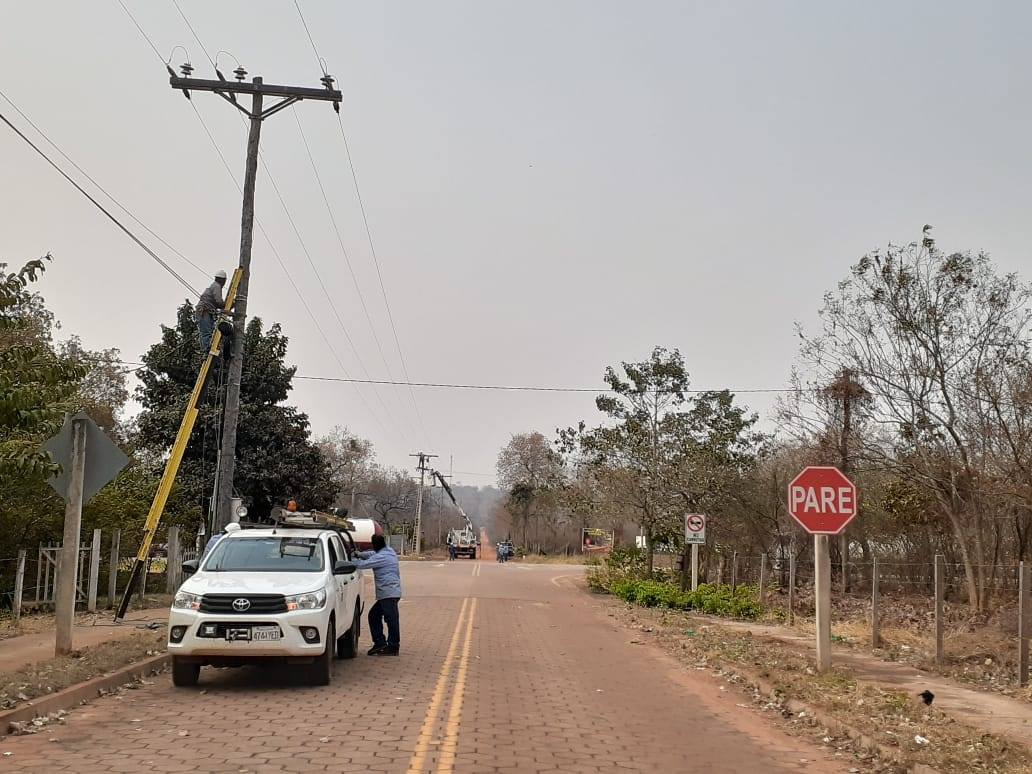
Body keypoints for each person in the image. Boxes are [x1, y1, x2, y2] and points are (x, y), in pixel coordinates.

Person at [353, 533, 402, 655]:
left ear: (375, 545)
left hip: (388, 593)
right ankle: (381, 643)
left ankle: (392, 646)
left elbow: (362, 565)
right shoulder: (388, 551)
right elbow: (371, 554)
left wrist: (349, 561)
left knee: (391, 620)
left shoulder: (381, 557)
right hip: (391, 592)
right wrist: (359, 554)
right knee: (375, 616)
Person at [195, 270, 228, 351]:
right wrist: (227, 304)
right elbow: (219, 302)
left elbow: (217, 304)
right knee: (207, 332)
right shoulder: (217, 286)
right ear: (222, 280)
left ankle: (208, 347)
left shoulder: (214, 286)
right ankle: (207, 349)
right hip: (204, 311)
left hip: (206, 311)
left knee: (209, 330)